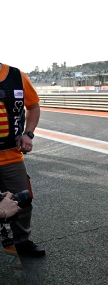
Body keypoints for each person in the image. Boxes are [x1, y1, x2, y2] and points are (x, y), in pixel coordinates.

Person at [0, 62, 45, 257]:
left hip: (11, 156)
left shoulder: (18, 76)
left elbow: (33, 107)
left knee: (23, 200)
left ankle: (21, 241)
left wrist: (29, 134)